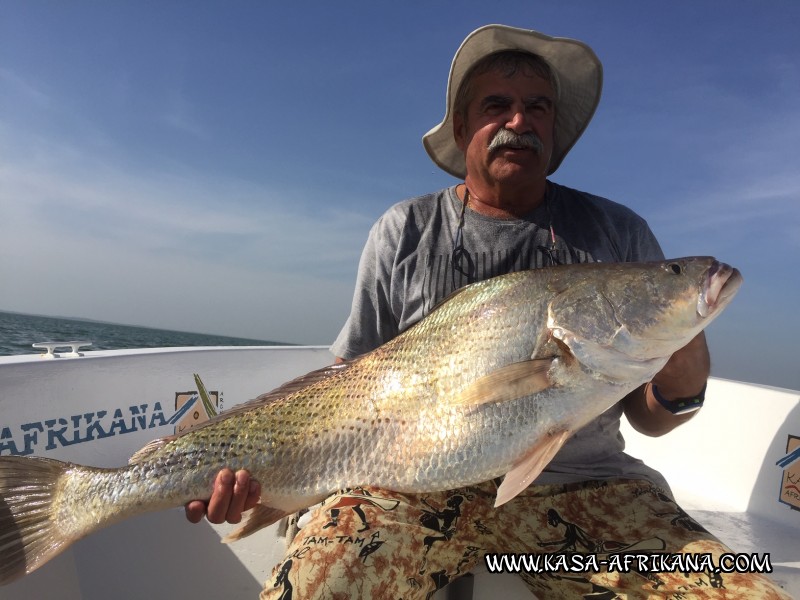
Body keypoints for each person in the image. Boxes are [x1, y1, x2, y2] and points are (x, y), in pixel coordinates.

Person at [186, 25, 791, 599]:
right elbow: (343, 393)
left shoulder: (620, 232)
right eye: (497, 104)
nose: (519, 121)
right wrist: (263, 477)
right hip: (406, 490)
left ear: (555, 130)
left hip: (587, 485)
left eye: (539, 108)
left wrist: (684, 362)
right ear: (462, 125)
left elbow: (652, 420)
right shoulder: (404, 231)